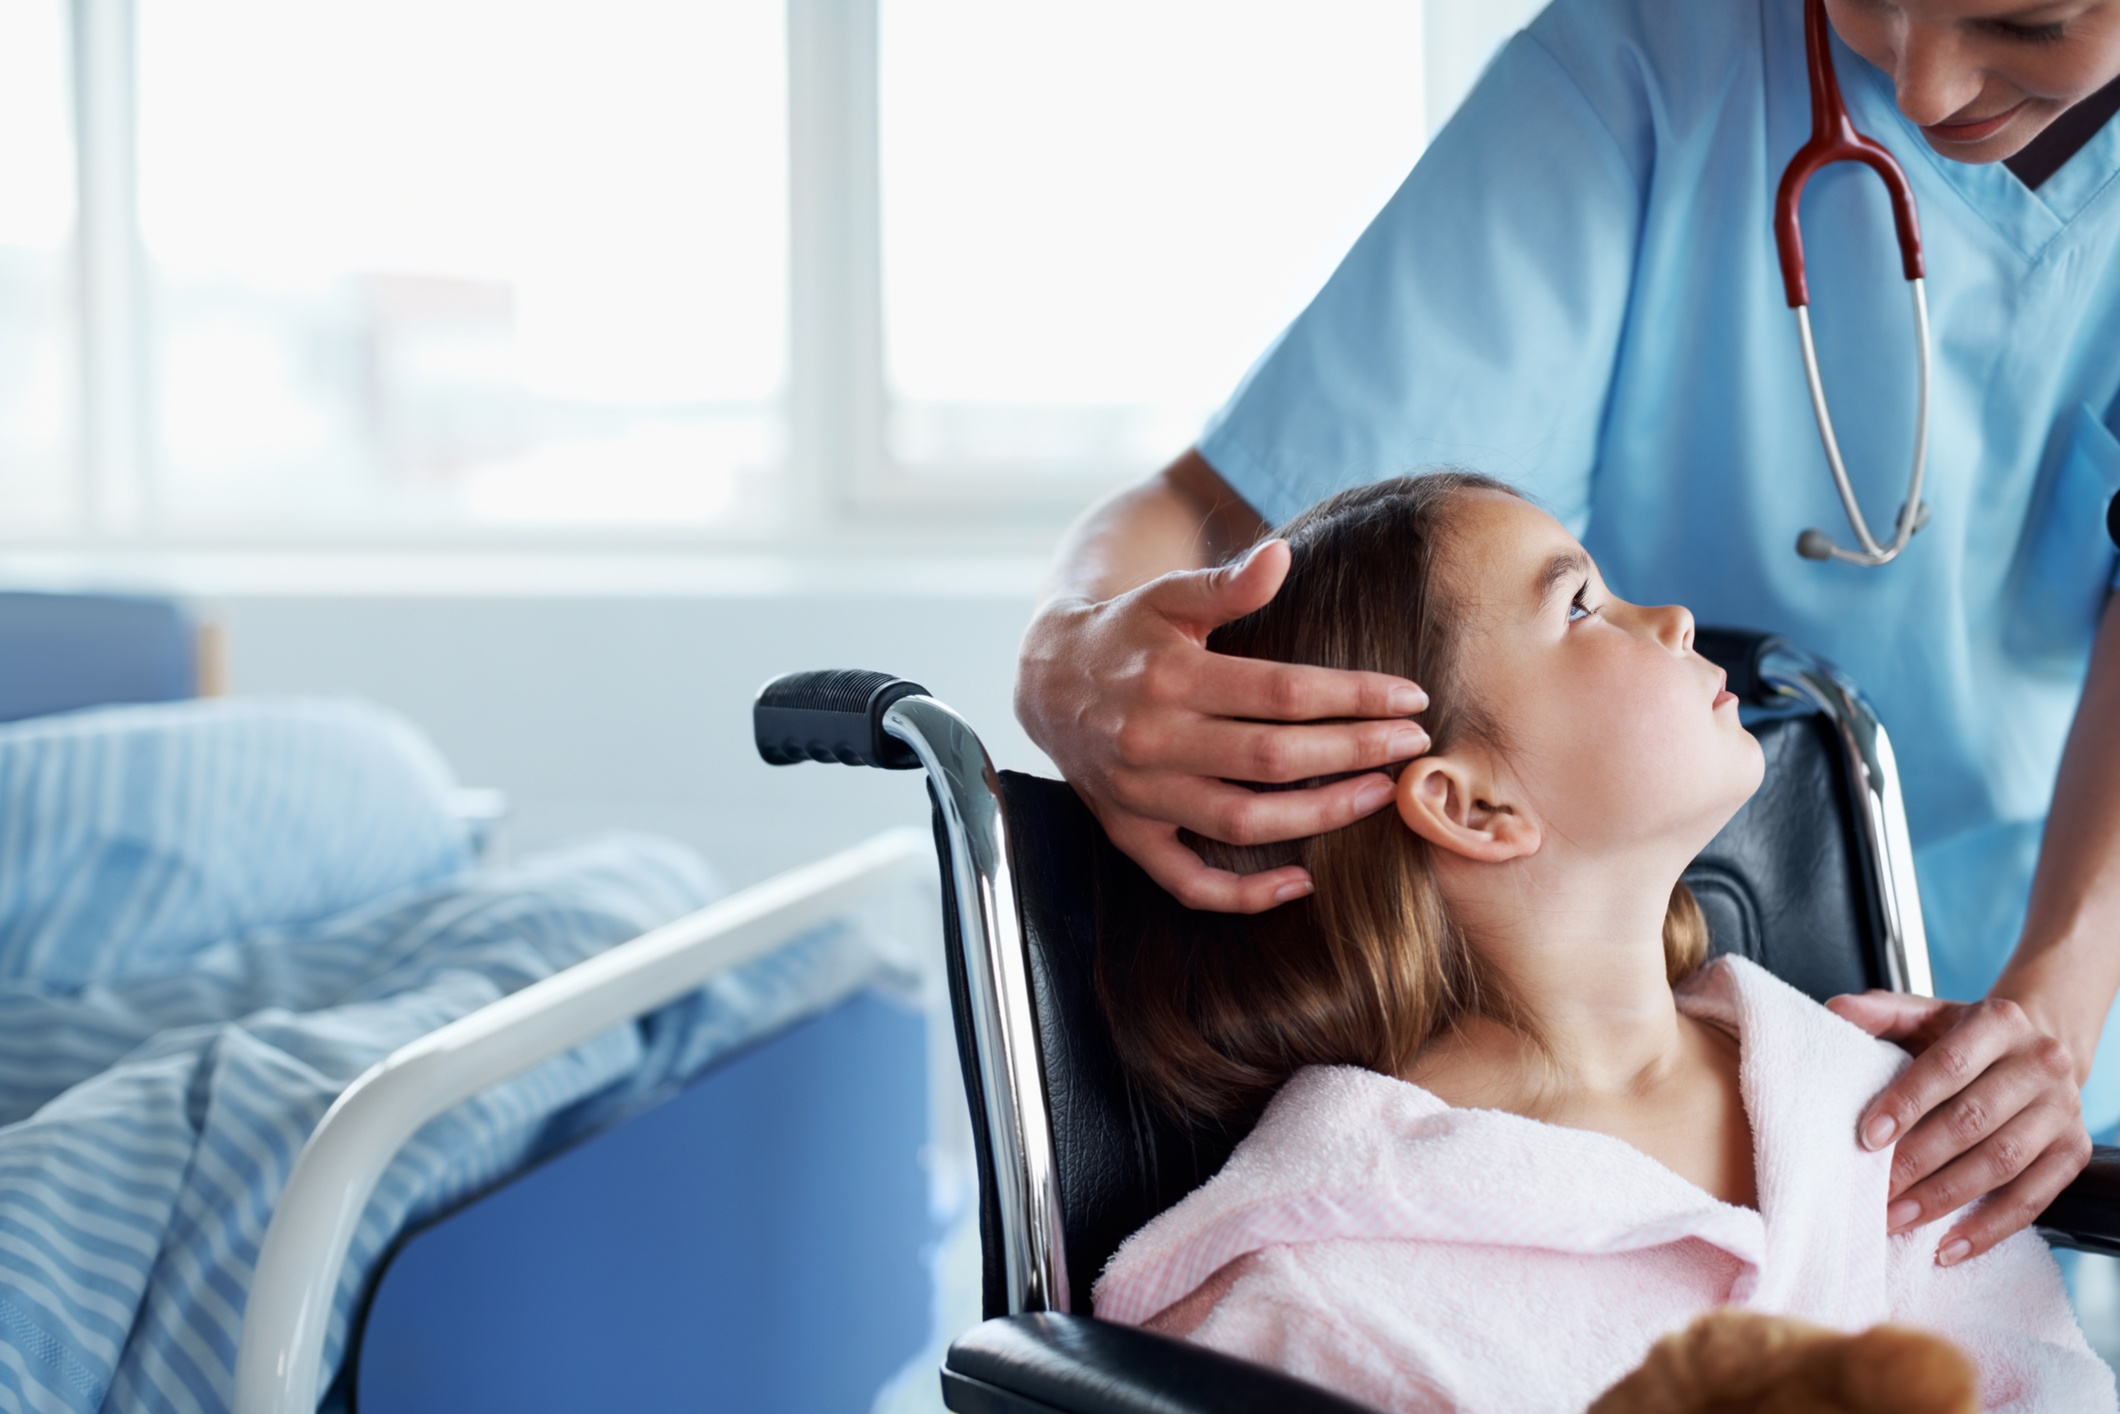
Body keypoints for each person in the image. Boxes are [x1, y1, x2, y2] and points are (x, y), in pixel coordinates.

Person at [1016, 0, 2120, 1262]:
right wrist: (1072, 643)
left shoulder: (1835, 1113)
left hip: (2015, 1004)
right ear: (1465, 800)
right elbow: (1230, 519)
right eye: (1860, 0)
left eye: (2023, 20)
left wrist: (2059, 1000)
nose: (1921, 89)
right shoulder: (1344, 1241)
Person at [1089, 474, 2115, 1413]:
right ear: (1473, 803)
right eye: (1579, 605)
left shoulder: (1868, 1109)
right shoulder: (1324, 1284)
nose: (1669, 618)